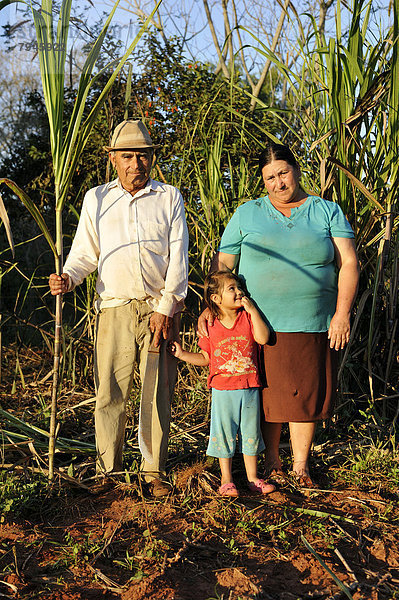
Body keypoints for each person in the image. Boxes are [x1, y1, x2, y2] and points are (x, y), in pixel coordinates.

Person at [198, 142, 359, 487]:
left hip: (313, 321)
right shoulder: (247, 214)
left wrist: (342, 314)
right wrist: (211, 307)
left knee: (306, 393)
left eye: (283, 173)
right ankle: (272, 462)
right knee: (266, 395)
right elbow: (224, 265)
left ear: (296, 170)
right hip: (257, 325)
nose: (278, 183)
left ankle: (301, 466)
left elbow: (348, 263)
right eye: (269, 177)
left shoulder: (326, 210)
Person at [49, 119, 189, 497]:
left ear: (152, 158)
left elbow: (179, 256)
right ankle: (108, 471)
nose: (136, 164)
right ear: (112, 159)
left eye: (143, 156)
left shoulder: (168, 197)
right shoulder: (97, 198)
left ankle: (152, 471)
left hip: (159, 311)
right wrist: (67, 277)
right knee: (110, 391)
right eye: (127, 156)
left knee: (157, 391)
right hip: (113, 308)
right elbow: (84, 253)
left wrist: (166, 306)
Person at [169, 271, 275, 497]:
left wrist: (253, 309)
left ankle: (253, 478)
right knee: (224, 433)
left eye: (239, 288)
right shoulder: (211, 325)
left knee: (250, 433)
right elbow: (206, 359)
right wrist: (182, 354)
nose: (239, 292)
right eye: (232, 289)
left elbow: (263, 338)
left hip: (248, 387)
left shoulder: (247, 317)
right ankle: (227, 480)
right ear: (216, 299)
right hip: (222, 390)